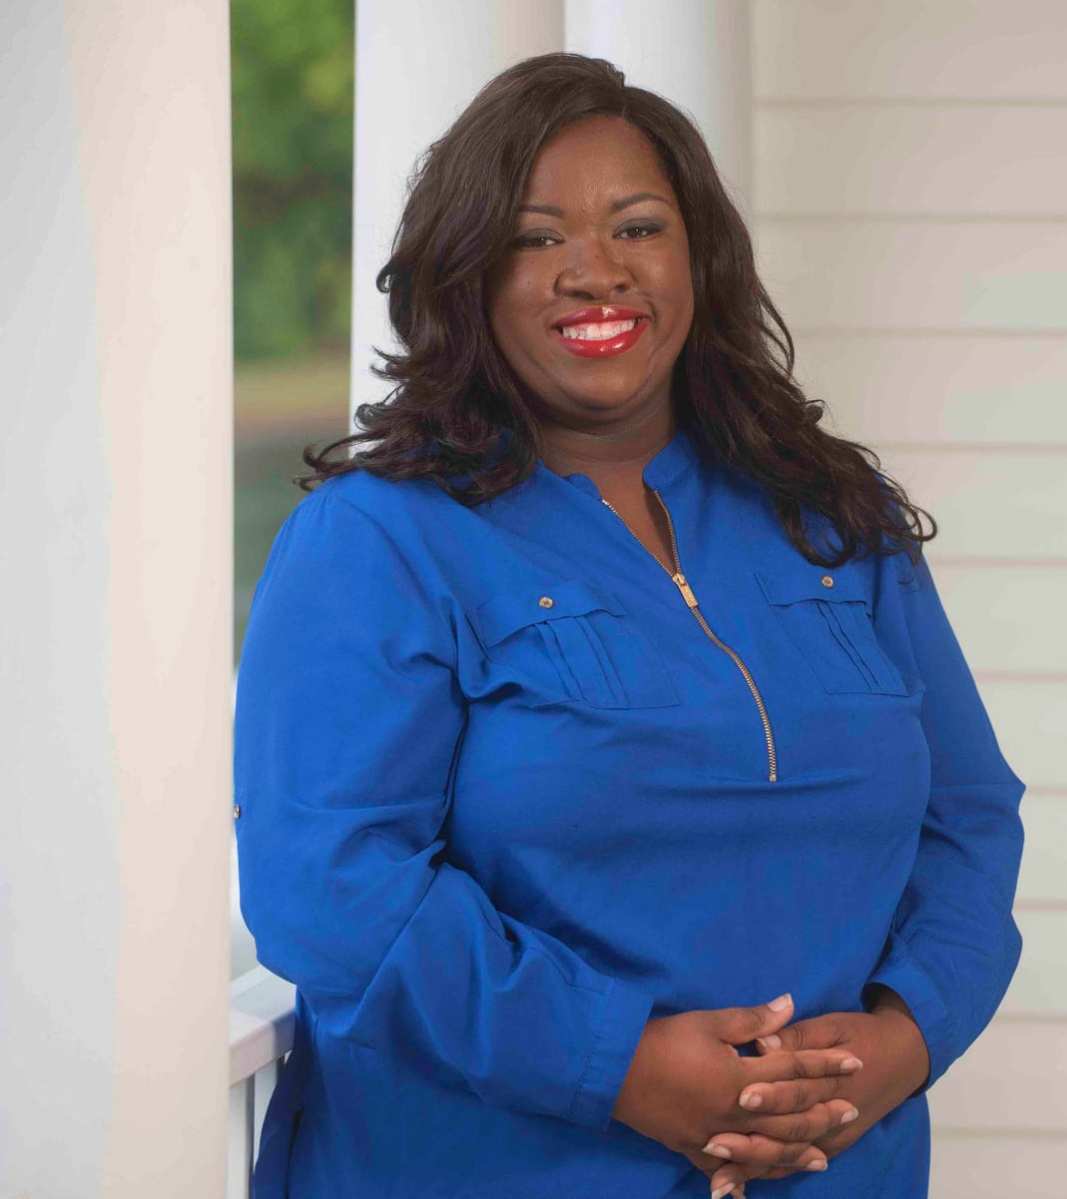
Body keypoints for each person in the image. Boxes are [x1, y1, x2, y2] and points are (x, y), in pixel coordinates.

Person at [233, 52, 1026, 1198]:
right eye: (535, 236)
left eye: (637, 227)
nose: (592, 271)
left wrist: (895, 1044)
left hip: (836, 1169)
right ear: (465, 275)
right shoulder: (380, 539)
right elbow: (331, 884)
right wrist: (622, 1065)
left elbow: (970, 818)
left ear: (697, 258)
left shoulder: (833, 519)